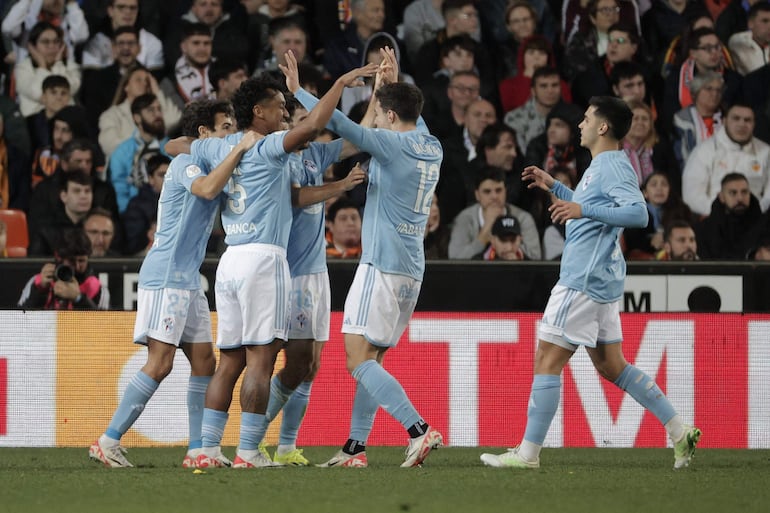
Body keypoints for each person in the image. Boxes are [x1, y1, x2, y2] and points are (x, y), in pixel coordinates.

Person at [480, 96, 701, 470]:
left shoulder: (613, 165)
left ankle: (527, 455)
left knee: (547, 359)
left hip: (582, 279)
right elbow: (595, 209)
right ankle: (680, 431)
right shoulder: (603, 164)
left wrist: (581, 208)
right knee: (613, 366)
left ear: (602, 127)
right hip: (601, 279)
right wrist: (557, 188)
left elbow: (637, 214)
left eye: (585, 118)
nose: (579, 124)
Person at [188, 55, 378, 469]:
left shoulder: (216, 146)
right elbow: (310, 126)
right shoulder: (270, 147)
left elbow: (178, 146)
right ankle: (250, 452)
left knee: (231, 360)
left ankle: (205, 450)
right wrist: (342, 82)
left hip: (229, 259)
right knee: (261, 359)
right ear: (258, 112)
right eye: (279, 106)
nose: (285, 113)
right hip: (263, 260)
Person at [291, 47, 445, 467]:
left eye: (380, 111)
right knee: (373, 357)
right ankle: (356, 448)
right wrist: (387, 87)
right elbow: (401, 109)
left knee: (356, 358)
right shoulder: (430, 144)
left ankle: (419, 430)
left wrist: (300, 94)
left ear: (390, 118)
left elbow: (335, 123)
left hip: (380, 265)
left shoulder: (390, 145)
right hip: (411, 269)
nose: (376, 117)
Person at [88, 99, 259, 468]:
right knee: (161, 362)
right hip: (165, 276)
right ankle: (108, 440)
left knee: (203, 362)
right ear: (204, 133)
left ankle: (198, 448)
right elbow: (207, 189)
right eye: (225, 126)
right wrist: (240, 150)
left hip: (188, 279)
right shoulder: (186, 164)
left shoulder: (208, 161)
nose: (231, 132)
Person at [260, 100, 367, 466]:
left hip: (316, 272)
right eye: (306, 121)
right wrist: (340, 185)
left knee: (312, 367)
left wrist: (380, 88)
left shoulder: (314, 154)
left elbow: (357, 137)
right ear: (290, 124)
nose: (313, 127)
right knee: (297, 363)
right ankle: (252, 440)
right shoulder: (279, 158)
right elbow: (296, 197)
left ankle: (287, 447)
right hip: (291, 274)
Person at [682, 103, 770, 216]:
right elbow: (692, 196)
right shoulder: (704, 150)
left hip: (756, 220)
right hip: (714, 219)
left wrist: (757, 211)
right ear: (724, 121)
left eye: (747, 120)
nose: (742, 124)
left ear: (754, 124)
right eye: (736, 118)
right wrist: (720, 213)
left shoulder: (766, 152)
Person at [19, 227, 109, 310]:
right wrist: (40, 291)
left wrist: (78, 298)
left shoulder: (97, 287)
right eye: (72, 261)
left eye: (81, 261)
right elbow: (19, 319)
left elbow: (104, 324)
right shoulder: (38, 281)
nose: (77, 266)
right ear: (59, 257)